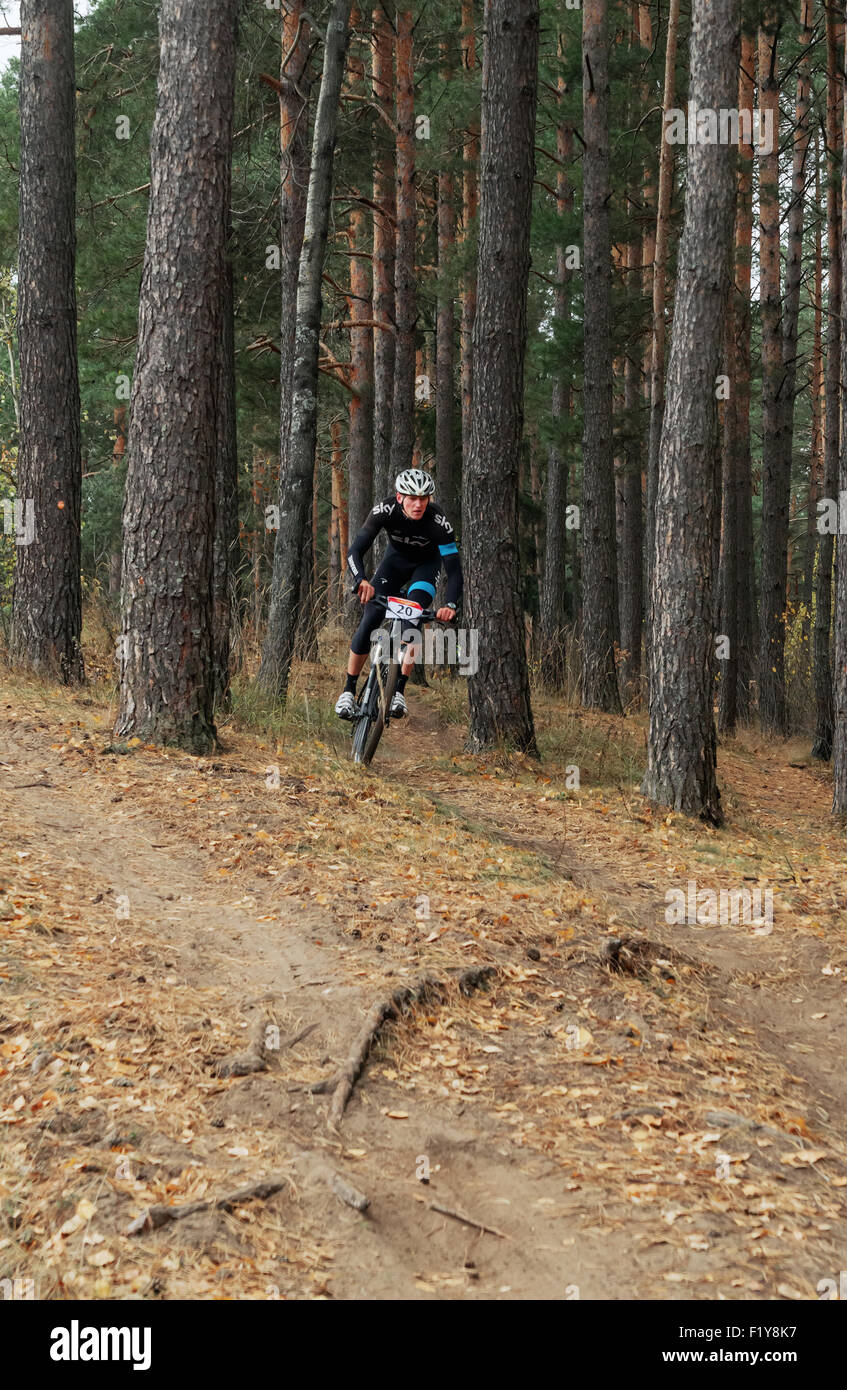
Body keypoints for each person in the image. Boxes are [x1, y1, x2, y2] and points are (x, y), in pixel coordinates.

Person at [335, 467, 462, 720]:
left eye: (423, 499)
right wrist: (361, 581)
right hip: (393, 565)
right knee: (370, 620)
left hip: (425, 568)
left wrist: (450, 604)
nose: (418, 504)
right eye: (412, 498)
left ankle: (398, 690)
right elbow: (355, 551)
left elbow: (455, 570)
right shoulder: (385, 510)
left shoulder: (439, 523)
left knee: (412, 622)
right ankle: (348, 691)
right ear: (399, 496)